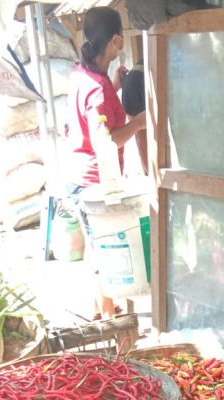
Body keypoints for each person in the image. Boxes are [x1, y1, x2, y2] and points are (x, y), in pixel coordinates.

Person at [65, 6, 146, 318]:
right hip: (93, 180)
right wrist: (137, 124)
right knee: (103, 249)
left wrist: (115, 85)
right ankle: (110, 319)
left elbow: (96, 113)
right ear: (116, 40)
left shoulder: (84, 75)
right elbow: (107, 140)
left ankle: (100, 308)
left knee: (96, 244)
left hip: (79, 174)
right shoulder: (97, 88)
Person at [121, 62, 148, 175]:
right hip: (137, 80)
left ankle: (149, 173)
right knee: (140, 130)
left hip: (134, 78)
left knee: (140, 131)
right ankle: (149, 173)